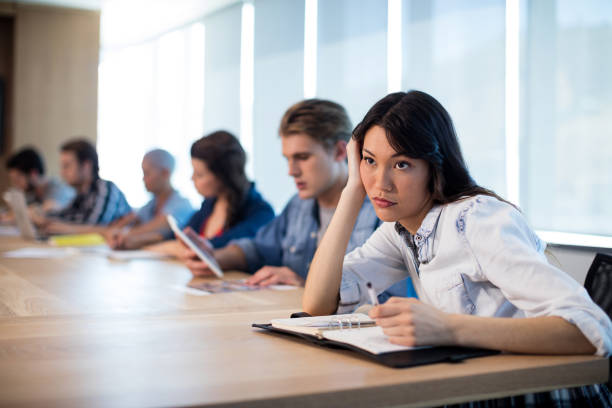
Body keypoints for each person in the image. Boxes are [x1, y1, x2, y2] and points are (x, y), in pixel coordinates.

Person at [302, 90, 612, 406]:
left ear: (435, 166)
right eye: (369, 161)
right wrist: (353, 190)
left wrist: (447, 328)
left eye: (402, 164)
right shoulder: (401, 228)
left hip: (536, 393)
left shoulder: (476, 219)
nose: (381, 182)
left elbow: (591, 331)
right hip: (474, 386)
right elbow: (318, 303)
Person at [182, 99, 413, 299]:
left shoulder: (384, 210)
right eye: (287, 159)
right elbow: (259, 249)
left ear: (340, 152)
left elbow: (392, 301)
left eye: (302, 157)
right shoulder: (299, 205)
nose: (291, 171)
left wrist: (309, 288)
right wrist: (215, 257)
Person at [155, 130, 275, 256]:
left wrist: (174, 247)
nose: (192, 179)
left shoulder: (261, 213)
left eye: (199, 174)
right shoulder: (209, 205)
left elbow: (208, 247)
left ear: (224, 176)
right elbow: (181, 239)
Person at [37, 138, 132, 234]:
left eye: (67, 166)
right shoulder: (81, 195)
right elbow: (65, 217)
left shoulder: (106, 189)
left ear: (86, 166)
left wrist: (62, 228)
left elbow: (94, 227)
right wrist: (42, 218)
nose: (62, 173)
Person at [105, 149, 194, 249]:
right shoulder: (151, 205)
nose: (143, 179)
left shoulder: (182, 205)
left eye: (146, 173)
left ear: (165, 173)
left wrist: (124, 234)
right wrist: (117, 230)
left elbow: (163, 225)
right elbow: (132, 221)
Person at [4, 147, 74, 213]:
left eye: (17, 179)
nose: (15, 185)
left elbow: (49, 210)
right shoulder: (32, 193)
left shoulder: (57, 189)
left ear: (33, 174)